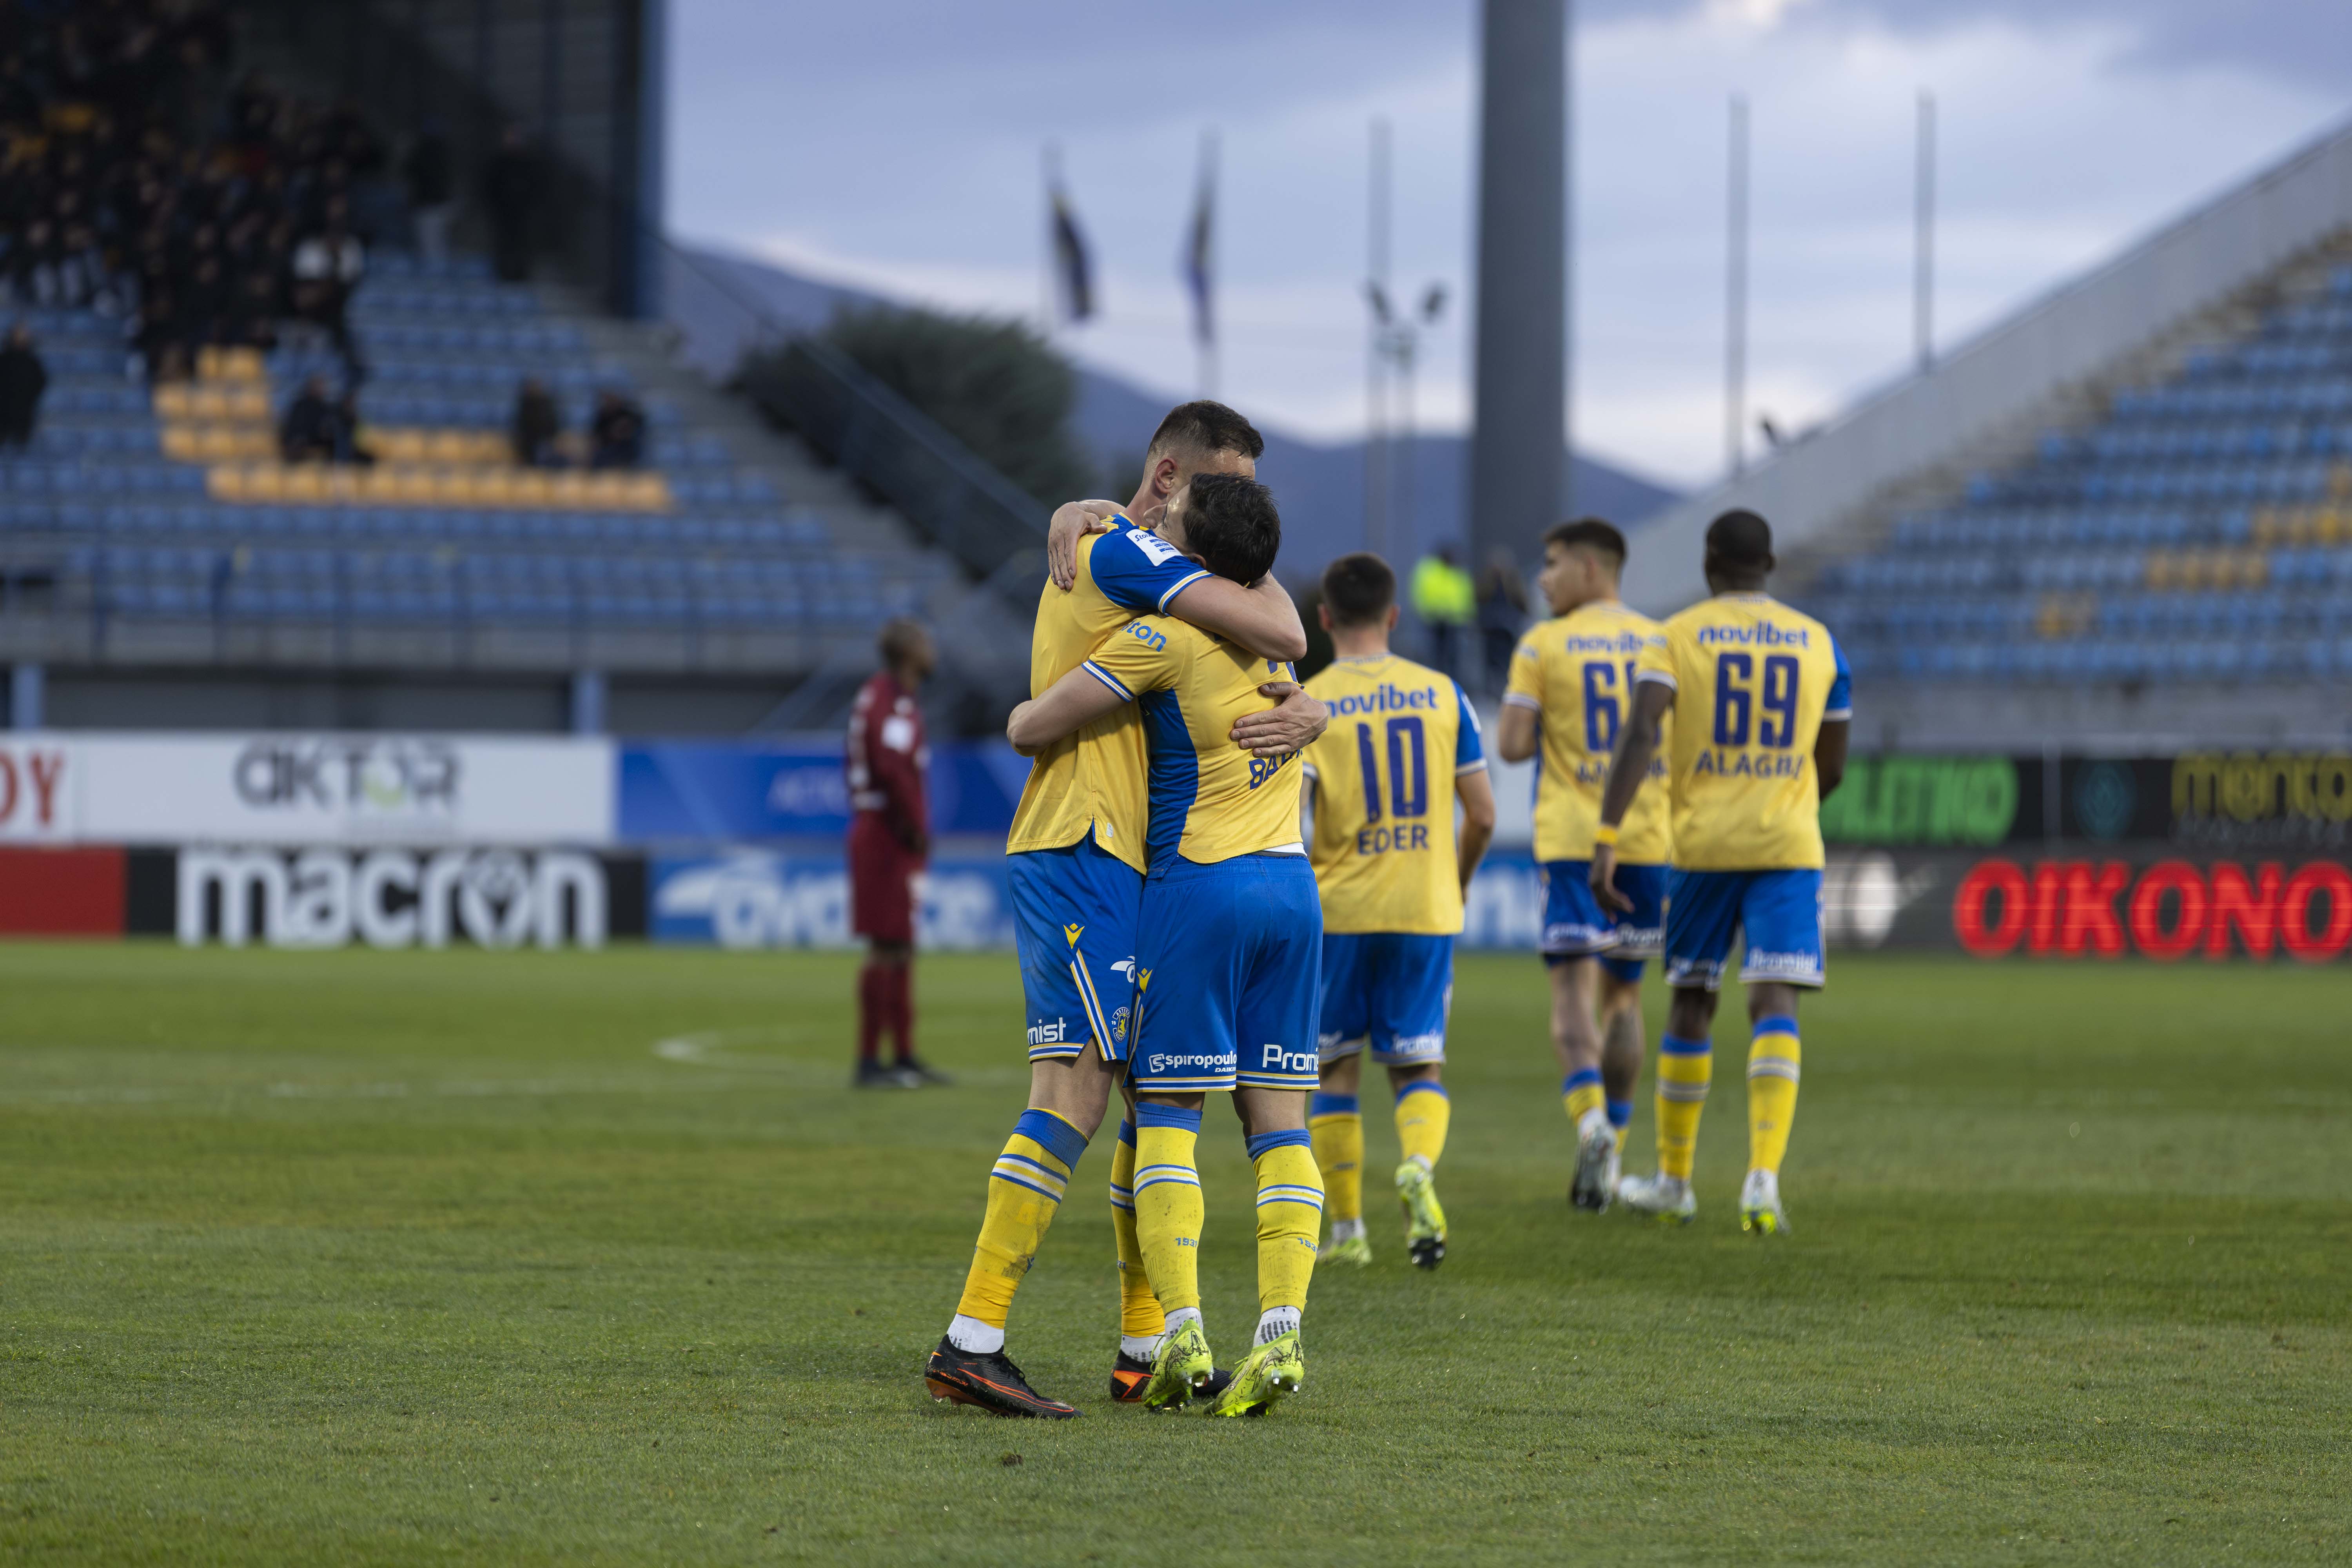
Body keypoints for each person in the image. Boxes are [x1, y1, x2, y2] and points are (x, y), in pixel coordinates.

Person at [920, 401, 1323, 1420]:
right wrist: (1098, 512)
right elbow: (1284, 625)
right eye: (1220, 487)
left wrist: (1309, 704)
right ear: (1173, 479)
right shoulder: (1124, 556)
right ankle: (972, 1339)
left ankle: (1148, 1345)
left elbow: (1257, 594)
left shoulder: (1139, 556)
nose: (1235, 509)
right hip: (1083, 842)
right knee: (1074, 1093)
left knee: (1151, 1095)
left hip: (1137, 855)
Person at [1590, 509, 1851, 1234]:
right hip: (1786, 847)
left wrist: (1608, 835)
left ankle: (1676, 1181)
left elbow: (1641, 733)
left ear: (1710, 563)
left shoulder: (1677, 635)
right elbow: (1832, 764)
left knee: (1692, 1002)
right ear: (1771, 564)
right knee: (1775, 1001)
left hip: (1704, 847)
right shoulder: (1819, 641)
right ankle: (1763, 1179)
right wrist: (1785, 802)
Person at [1299, 552, 1495, 1270]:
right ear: (1394, 615)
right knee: (1418, 1068)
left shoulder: (1311, 702)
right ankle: (1416, 1166)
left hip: (1340, 911)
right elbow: (1483, 814)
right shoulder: (1444, 694)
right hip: (1424, 905)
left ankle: (1348, 1231)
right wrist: (1458, 880)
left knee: (1335, 1070)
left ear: (1324, 619)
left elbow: (1294, 824)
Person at [1496, 519, 1676, 1211]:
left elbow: (1513, 744)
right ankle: (1617, 1153)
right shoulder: (1661, 641)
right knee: (1624, 999)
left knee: (1572, 997)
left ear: (1591, 568)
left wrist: (1556, 724)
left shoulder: (1544, 642)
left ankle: (1592, 1122)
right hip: (1645, 838)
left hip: (1572, 840)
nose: (1542, 579)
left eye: (1553, 564)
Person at [845, 618, 949, 1090]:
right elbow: (891, 768)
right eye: (925, 642)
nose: (932, 649)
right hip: (886, 833)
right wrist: (914, 825)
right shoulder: (891, 703)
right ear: (909, 652)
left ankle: (902, 1054)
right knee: (886, 946)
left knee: (900, 944)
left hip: (887, 831)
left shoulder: (887, 697)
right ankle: (870, 1060)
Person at [1409, 543, 1474, 679]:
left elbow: (1465, 596)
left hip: (1454, 621)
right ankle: (1438, 679)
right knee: (1437, 654)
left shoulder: (1457, 571)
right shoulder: (1430, 570)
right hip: (1435, 620)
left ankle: (1451, 680)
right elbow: (1423, 593)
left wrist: (1467, 616)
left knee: (1453, 656)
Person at [484, 127, 538, 284]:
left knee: (522, 242)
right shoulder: (498, 162)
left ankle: (521, 274)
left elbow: (538, 185)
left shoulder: (529, 162)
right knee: (504, 242)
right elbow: (489, 185)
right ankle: (503, 273)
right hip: (503, 210)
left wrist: (532, 203)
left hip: (523, 210)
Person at [1477, 546, 1530, 691]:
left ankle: (1505, 687)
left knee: (1507, 661)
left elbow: (1522, 603)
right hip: (1492, 629)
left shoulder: (1513, 582)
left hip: (1507, 630)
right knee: (1492, 662)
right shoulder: (1487, 583)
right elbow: (1479, 601)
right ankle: (1493, 689)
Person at [403, 122, 456, 265]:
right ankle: (438, 271)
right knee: (439, 246)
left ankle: (435, 272)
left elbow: (407, 172)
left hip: (427, 205)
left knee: (430, 247)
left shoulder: (420, 153)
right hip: (438, 203)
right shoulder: (445, 153)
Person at [0, 323, 46, 450]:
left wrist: (28, 398)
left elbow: (40, 382)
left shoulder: (32, 363)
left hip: (24, 412)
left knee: (22, 445)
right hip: (3, 411)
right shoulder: (3, 360)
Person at [279, 375, 338, 463]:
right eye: (318, 386)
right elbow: (293, 427)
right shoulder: (300, 406)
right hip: (300, 440)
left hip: (318, 440)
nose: (321, 389)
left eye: (322, 386)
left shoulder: (326, 408)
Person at [589, 388, 646, 470]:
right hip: (607, 449)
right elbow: (597, 435)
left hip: (626, 448)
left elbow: (637, 429)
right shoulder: (602, 416)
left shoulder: (629, 415)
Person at [512, 378, 562, 467]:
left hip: (544, 440)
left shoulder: (546, 404)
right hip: (528, 442)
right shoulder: (525, 405)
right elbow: (521, 425)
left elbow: (552, 423)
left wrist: (551, 438)